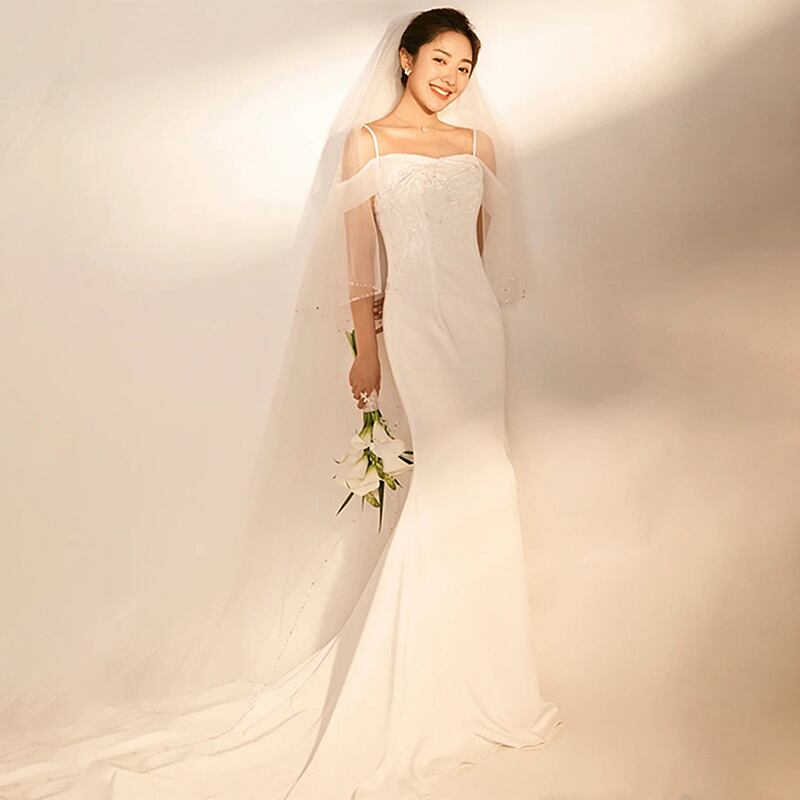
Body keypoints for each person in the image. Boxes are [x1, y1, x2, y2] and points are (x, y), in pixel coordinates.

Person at [0, 8, 563, 799]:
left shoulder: (478, 146)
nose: (452, 78)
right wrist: (367, 345)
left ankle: (491, 679)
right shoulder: (365, 142)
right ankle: (419, 681)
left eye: (465, 68)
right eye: (441, 59)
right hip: (412, 326)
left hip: (474, 329)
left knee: (489, 479)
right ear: (407, 58)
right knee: (446, 479)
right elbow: (360, 256)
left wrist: (461, 304)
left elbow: (472, 248)